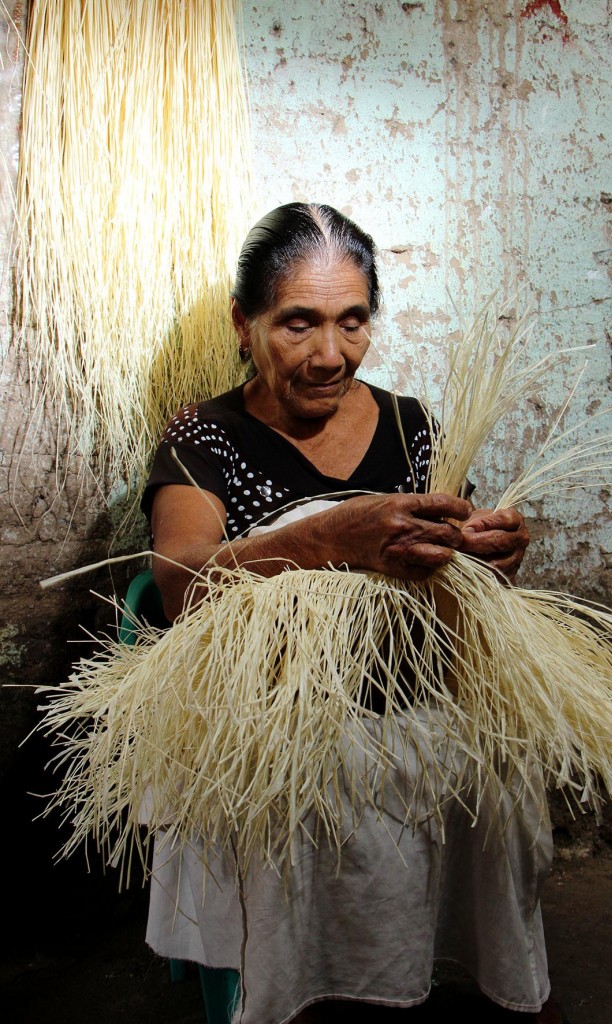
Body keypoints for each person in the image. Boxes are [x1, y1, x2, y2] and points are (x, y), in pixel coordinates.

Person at [141, 203, 561, 1023]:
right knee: (319, 782)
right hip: (272, 717)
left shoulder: (411, 424)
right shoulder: (205, 437)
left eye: (353, 322)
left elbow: (453, 583)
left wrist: (492, 559)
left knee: (502, 774)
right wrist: (332, 535)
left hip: (415, 692)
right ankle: (293, 990)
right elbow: (183, 590)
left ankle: (451, 970)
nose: (330, 355)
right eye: (297, 323)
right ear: (244, 322)